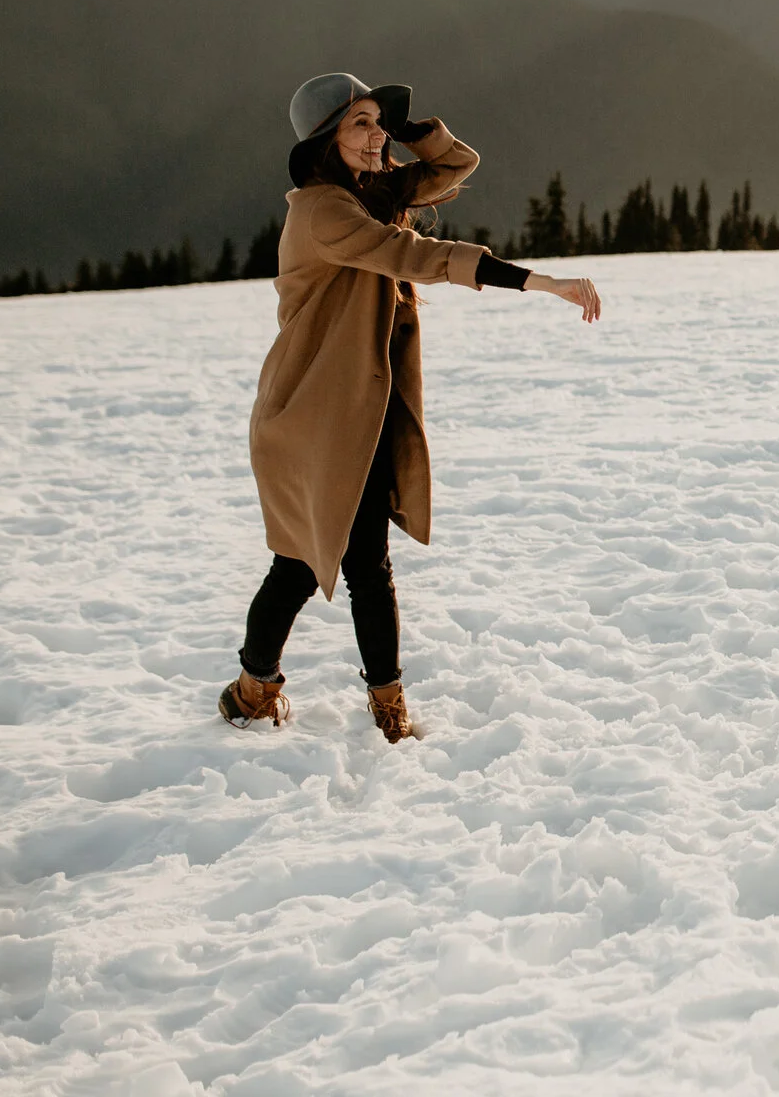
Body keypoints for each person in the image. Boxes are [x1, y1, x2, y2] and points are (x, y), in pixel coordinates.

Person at [220, 73, 601, 741]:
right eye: (358, 124)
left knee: (336, 561)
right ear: (324, 141)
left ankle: (277, 691)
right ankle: (343, 702)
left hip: (351, 412)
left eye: (377, 122)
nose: (374, 137)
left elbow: (457, 164)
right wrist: (539, 281)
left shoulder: (373, 194)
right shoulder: (324, 212)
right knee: (312, 562)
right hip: (312, 416)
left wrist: (404, 130)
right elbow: (416, 253)